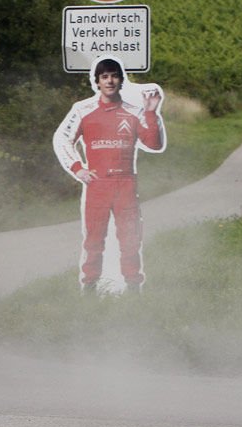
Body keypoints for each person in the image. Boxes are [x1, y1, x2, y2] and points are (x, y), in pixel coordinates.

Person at [53, 56, 165, 293]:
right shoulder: (83, 109)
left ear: (121, 80)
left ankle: (134, 286)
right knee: (94, 241)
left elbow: (154, 144)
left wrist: (151, 113)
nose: (110, 81)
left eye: (114, 76)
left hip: (125, 183)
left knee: (130, 239)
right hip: (98, 184)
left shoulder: (134, 112)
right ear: (97, 82)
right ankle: (89, 287)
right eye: (104, 76)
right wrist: (78, 168)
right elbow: (62, 139)